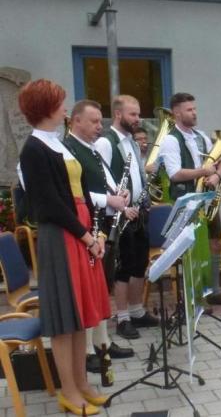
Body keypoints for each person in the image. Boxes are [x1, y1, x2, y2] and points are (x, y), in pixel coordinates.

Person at [18, 79, 110, 415]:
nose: (64, 107)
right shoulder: (33, 149)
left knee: (80, 315)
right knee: (63, 316)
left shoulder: (58, 143)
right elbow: (49, 204)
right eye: (59, 102)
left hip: (80, 229)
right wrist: (85, 236)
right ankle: (68, 391)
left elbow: (83, 192)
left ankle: (83, 383)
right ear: (46, 108)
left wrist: (96, 232)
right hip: (61, 235)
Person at [61, 100, 137, 370]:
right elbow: (74, 195)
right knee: (90, 289)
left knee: (102, 286)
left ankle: (103, 342)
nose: (99, 126)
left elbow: (103, 179)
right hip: (86, 229)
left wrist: (119, 193)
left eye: (100, 121)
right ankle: (89, 349)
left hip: (102, 228)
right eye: (93, 121)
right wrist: (109, 200)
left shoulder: (90, 149)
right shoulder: (68, 149)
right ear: (75, 121)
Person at [159, 92, 221, 305]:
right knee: (194, 248)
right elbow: (175, 174)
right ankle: (195, 297)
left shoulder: (200, 136)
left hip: (207, 200)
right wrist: (202, 172)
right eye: (189, 110)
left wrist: (216, 175)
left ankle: (214, 290)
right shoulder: (171, 140)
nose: (194, 113)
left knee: (215, 243)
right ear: (176, 113)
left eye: (195, 109)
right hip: (187, 202)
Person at [96, 95, 159, 339]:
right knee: (122, 267)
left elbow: (135, 174)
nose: (138, 118)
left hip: (138, 212)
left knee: (139, 263)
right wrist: (123, 207)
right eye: (133, 114)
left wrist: (144, 201)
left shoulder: (131, 141)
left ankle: (137, 311)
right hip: (119, 214)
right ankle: (122, 317)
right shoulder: (106, 142)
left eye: (139, 114)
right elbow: (102, 181)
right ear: (119, 114)